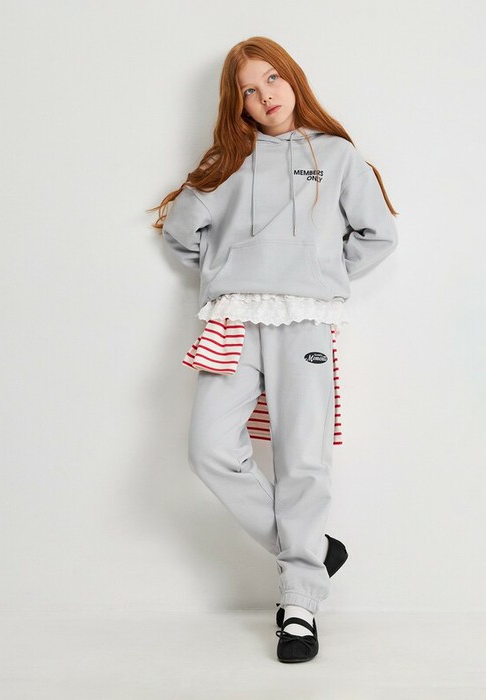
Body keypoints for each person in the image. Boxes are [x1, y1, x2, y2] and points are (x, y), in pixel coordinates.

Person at [149, 36, 399, 663]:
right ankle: (310, 554)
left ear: (293, 79)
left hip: (304, 321)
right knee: (210, 449)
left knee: (303, 458)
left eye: (272, 79)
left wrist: (319, 274)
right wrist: (224, 270)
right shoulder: (226, 161)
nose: (265, 95)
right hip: (234, 318)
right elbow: (180, 233)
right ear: (237, 105)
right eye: (248, 90)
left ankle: (299, 607)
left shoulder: (334, 155)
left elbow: (379, 234)